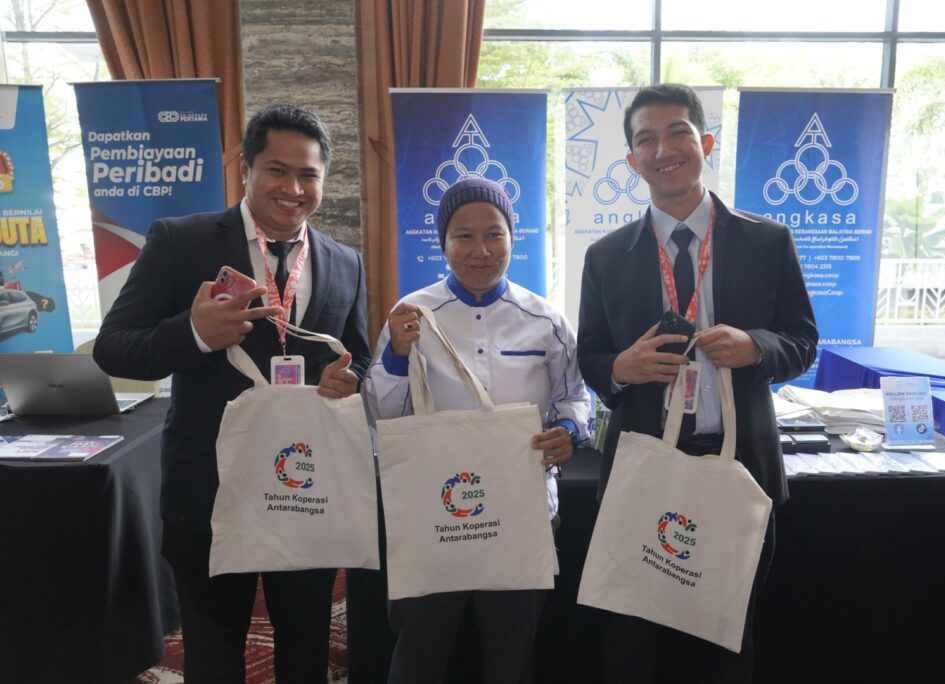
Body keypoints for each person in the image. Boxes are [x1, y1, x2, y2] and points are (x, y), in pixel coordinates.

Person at [93, 104, 371, 684]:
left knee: (306, 645)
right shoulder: (180, 241)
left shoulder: (345, 262)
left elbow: (359, 355)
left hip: (304, 486)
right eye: (277, 170)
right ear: (245, 168)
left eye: (309, 175)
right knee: (214, 651)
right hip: (210, 492)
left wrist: (348, 379)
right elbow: (114, 349)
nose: (293, 189)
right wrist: (194, 334)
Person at [577, 83, 818, 682]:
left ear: (706, 143)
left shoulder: (767, 242)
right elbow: (591, 358)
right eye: (646, 140)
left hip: (739, 468)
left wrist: (755, 347)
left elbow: (802, 342)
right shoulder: (605, 257)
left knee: (726, 638)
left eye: (678, 132)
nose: (664, 150)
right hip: (644, 468)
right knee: (633, 639)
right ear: (632, 160)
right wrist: (620, 368)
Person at [364, 177, 590, 684]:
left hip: (522, 510)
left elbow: (575, 396)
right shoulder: (411, 315)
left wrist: (567, 431)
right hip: (432, 513)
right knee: (419, 650)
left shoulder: (546, 319)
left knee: (512, 652)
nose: (481, 251)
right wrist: (397, 356)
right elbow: (383, 415)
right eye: (463, 236)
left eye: (494, 234)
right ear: (443, 243)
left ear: (513, 237)